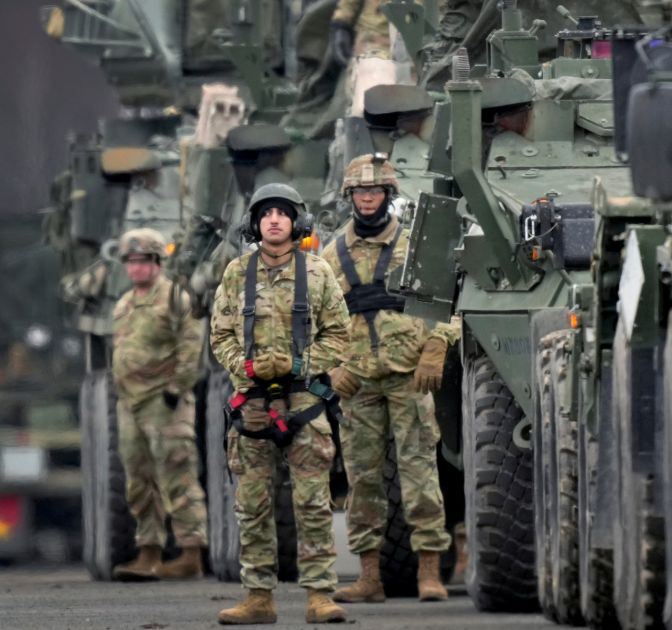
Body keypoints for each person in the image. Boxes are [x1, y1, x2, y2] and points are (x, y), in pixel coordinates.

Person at [321, 154, 460, 603]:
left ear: (388, 195)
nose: (367, 199)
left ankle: (429, 572)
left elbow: (448, 301)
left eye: (375, 191)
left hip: (409, 377)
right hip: (357, 382)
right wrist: (331, 367)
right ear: (349, 197)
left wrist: (437, 346)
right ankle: (369, 578)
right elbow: (309, 320)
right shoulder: (331, 255)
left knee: (421, 475)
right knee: (363, 481)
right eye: (360, 192)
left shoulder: (413, 245)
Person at [210, 184, 351, 625]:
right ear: (255, 224)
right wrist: (245, 367)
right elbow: (220, 335)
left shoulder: (317, 272)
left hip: (304, 400)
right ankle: (257, 596)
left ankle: (319, 596)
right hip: (251, 404)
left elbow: (340, 335)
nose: (274, 220)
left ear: (296, 223)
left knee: (312, 503)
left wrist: (300, 363)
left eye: (282, 213)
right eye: (266, 213)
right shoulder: (237, 273)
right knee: (252, 505)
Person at [110, 228, 208, 581]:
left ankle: (190, 553)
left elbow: (190, 343)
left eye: (143, 261)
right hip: (131, 403)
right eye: (131, 262)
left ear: (157, 263)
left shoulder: (175, 298)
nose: (136, 269)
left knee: (177, 475)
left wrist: (176, 387)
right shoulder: (123, 304)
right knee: (138, 480)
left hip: (164, 401)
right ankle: (148, 551)